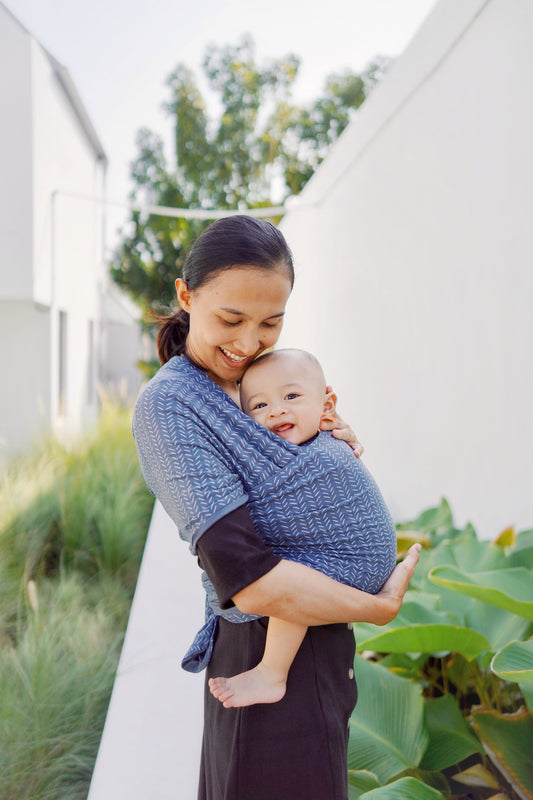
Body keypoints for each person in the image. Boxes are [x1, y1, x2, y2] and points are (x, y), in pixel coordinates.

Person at [132, 215, 421, 800]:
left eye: (271, 321)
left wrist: (329, 443)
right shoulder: (170, 408)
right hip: (261, 645)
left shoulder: (256, 380)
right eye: (230, 320)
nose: (247, 342)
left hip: (319, 635)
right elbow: (248, 581)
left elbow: (297, 461)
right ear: (187, 297)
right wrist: (377, 608)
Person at [208, 347, 397, 710]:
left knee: (287, 580)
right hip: (364, 556)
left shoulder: (321, 453)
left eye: (291, 396)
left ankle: (272, 674)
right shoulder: (316, 442)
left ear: (327, 404)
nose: (276, 410)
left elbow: (264, 510)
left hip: (359, 559)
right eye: (259, 406)